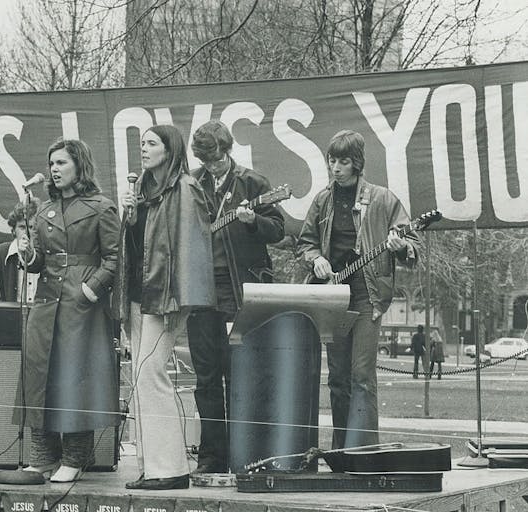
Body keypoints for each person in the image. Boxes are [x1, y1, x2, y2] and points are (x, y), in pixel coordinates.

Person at [296, 129, 419, 449]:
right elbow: (304, 244)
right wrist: (316, 260)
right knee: (337, 378)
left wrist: (399, 245)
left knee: (361, 374)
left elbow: (412, 247)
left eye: (343, 161)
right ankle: (341, 451)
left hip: (367, 295)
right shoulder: (323, 199)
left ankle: (363, 452)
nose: (335, 167)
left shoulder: (383, 198)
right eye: (332, 160)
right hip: (332, 293)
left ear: (357, 164)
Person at [118, 124, 216, 491]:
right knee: (141, 379)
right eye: (141, 142)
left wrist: (181, 300)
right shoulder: (143, 191)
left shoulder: (185, 189)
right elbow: (134, 247)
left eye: (151, 143)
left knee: (150, 374)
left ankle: (170, 468)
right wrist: (127, 218)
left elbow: (192, 248)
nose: (143, 148)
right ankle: (153, 464)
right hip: (140, 295)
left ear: (170, 149)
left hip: (165, 297)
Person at [18, 138, 121, 483]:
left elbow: (114, 258)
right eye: (51, 164)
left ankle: (75, 458)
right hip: (46, 301)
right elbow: (37, 264)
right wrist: (27, 254)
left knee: (76, 379)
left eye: (61, 163)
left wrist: (90, 291)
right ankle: (42, 456)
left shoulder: (101, 207)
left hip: (81, 302)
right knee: (38, 376)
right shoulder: (44, 210)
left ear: (80, 165)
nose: (54, 169)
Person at [186, 120, 285, 474]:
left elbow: (279, 230)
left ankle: (245, 454)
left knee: (238, 374)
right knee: (206, 376)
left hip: (236, 289)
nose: (212, 166)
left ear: (228, 150)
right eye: (206, 160)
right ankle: (212, 457)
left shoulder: (252, 182)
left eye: (216, 159)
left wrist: (251, 221)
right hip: (199, 291)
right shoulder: (191, 183)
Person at [0, 198, 41, 303]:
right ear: (13, 230)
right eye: (22, 227)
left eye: (31, 227)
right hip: (9, 318)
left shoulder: (48, 253)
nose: (27, 233)